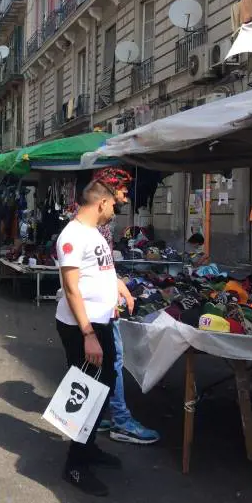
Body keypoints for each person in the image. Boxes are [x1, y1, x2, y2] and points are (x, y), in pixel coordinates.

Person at [55, 178, 133, 497]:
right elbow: (71, 288)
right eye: (114, 204)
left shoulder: (93, 234)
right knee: (87, 393)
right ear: (101, 203)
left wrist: (121, 288)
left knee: (103, 388)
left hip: (99, 322)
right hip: (82, 327)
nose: (115, 210)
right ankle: (75, 465)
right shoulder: (72, 236)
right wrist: (88, 333)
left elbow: (103, 269)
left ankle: (88, 448)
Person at [90, 169, 160, 448]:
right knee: (113, 360)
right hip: (98, 306)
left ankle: (105, 413)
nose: (126, 196)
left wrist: (118, 284)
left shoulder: (99, 222)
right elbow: (83, 273)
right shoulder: (93, 224)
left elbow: (103, 264)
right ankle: (120, 420)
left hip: (100, 302)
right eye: (123, 190)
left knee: (104, 362)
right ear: (108, 192)